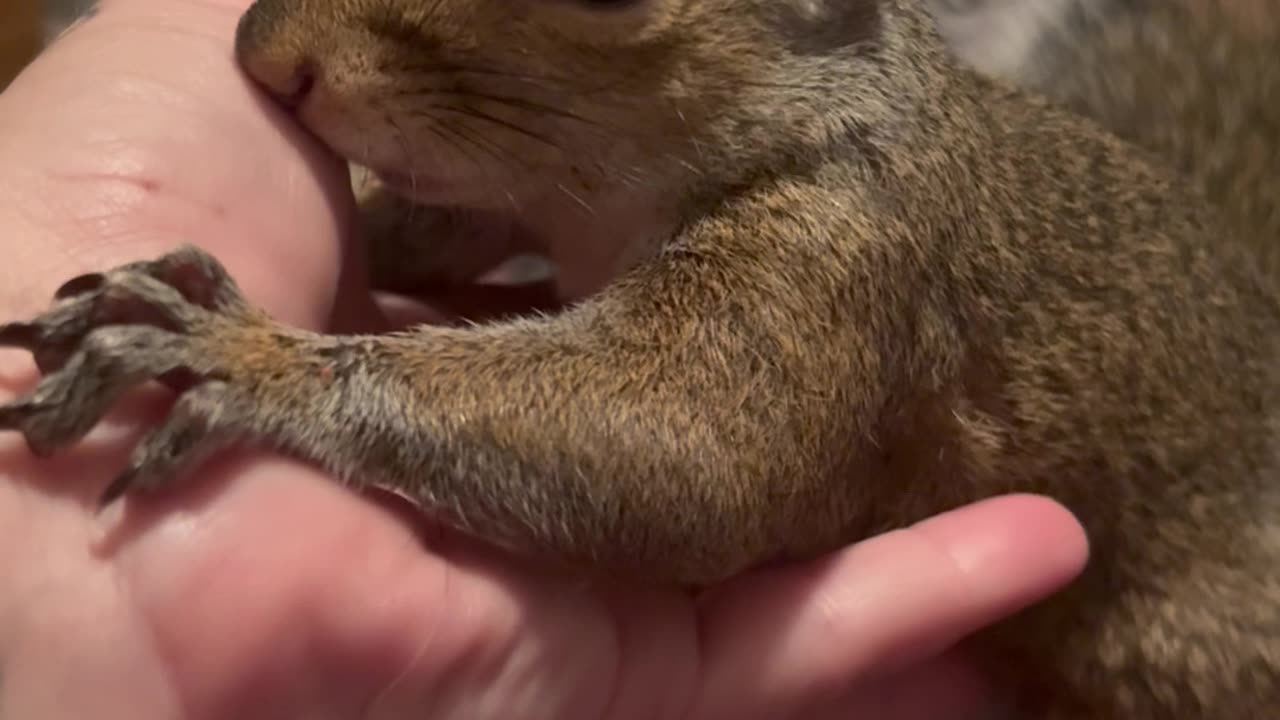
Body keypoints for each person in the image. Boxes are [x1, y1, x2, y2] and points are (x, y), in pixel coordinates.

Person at [0, 0, 1087, 716]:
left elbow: (699, 461)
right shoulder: (655, 121)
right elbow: (505, 189)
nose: (279, 40)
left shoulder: (836, 206)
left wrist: (288, 378)